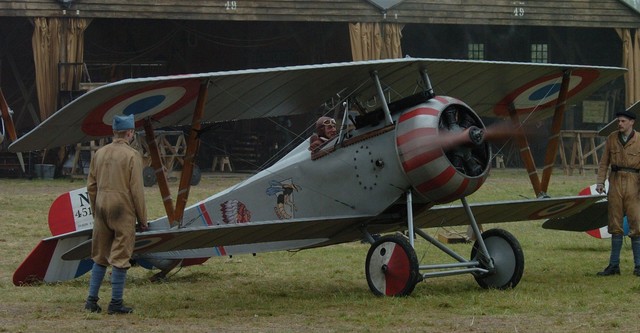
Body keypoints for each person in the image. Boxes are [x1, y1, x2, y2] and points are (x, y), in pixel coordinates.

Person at [84, 114, 148, 314]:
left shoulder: (99, 153)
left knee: (99, 256)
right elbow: (137, 191)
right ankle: (116, 303)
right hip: (123, 210)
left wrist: (96, 211)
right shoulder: (132, 155)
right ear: (129, 132)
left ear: (114, 131)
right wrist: (143, 220)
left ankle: (91, 301)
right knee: (121, 256)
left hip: (101, 208)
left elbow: (91, 186)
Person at [595, 110, 640, 276]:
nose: (619, 124)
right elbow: (604, 162)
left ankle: (639, 266)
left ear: (631, 122)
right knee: (614, 224)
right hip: (614, 182)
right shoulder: (612, 138)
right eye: (618, 121)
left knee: (636, 225)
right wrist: (600, 182)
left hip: (634, 183)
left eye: (622, 121)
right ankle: (614, 265)